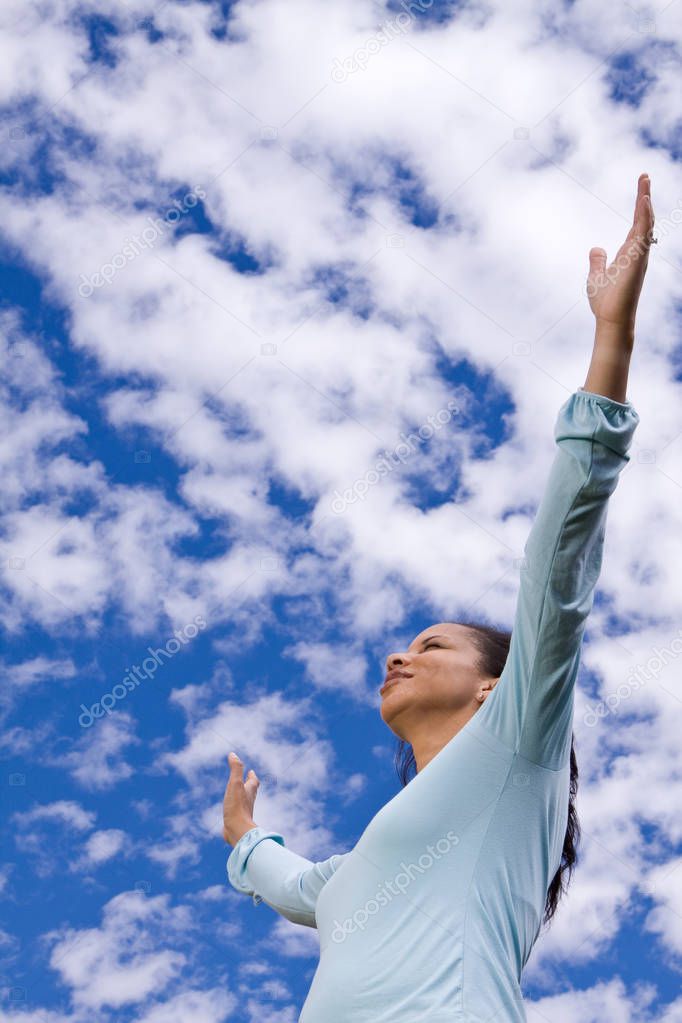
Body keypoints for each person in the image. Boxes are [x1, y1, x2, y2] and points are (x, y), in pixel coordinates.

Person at [222, 173, 655, 1021]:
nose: (399, 654)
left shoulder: (513, 746)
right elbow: (293, 883)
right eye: (407, 644)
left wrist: (612, 339)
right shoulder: (367, 864)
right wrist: (242, 837)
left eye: (432, 645)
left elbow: (555, 574)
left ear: (494, 685)